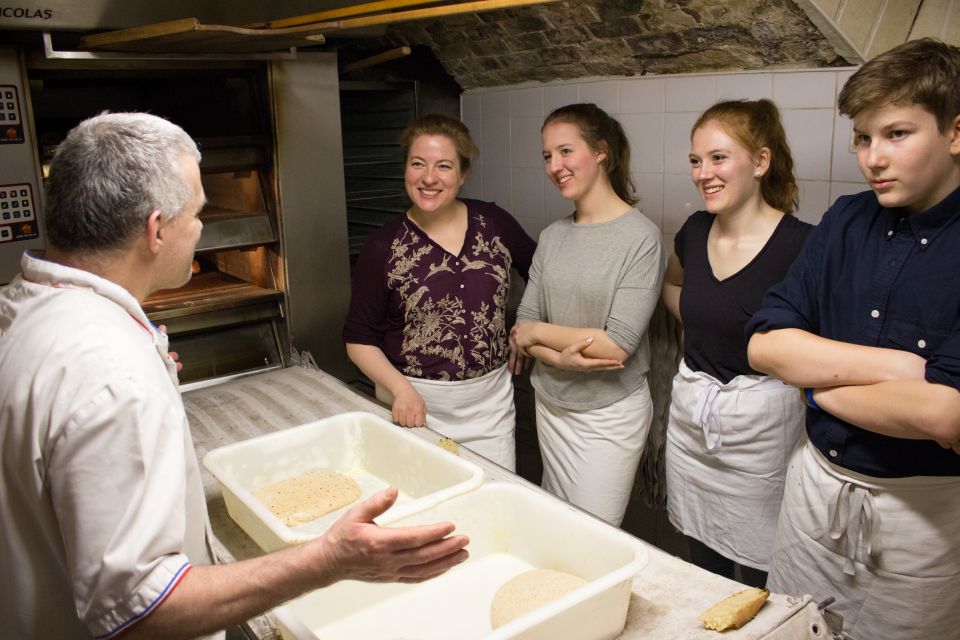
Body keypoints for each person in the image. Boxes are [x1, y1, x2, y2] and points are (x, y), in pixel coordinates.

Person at [0, 112, 469, 640]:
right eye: (197, 213)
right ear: (156, 230)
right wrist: (329, 560)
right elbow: (139, 611)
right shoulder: (111, 373)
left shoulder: (25, 306)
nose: (201, 228)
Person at [746, 38, 960, 640]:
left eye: (897, 134)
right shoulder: (845, 218)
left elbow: (947, 413)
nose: (873, 158)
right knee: (789, 628)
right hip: (813, 492)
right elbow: (765, 343)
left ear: (955, 133)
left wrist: (812, 384)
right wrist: (898, 370)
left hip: (924, 516)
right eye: (863, 139)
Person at [661, 99, 812, 588]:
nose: (703, 173)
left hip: (763, 437)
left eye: (719, 158)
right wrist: (710, 322)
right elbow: (674, 285)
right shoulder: (694, 230)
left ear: (761, 162)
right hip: (693, 426)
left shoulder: (804, 246)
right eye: (695, 161)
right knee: (703, 562)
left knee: (769, 565)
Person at [343, 114, 536, 471]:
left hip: (489, 409)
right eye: (418, 164)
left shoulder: (494, 223)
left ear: (462, 175)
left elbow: (541, 274)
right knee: (425, 513)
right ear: (405, 169)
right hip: (412, 406)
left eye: (443, 166)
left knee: (492, 507)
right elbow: (358, 339)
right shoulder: (382, 246)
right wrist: (400, 390)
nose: (429, 178)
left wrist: (525, 327)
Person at [510, 103, 665, 526]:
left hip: (608, 414)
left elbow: (617, 343)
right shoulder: (553, 235)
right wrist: (557, 356)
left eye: (565, 151)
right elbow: (520, 322)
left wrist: (537, 335)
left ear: (601, 152)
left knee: (595, 533)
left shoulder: (640, 237)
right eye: (547, 156)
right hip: (551, 401)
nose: (554, 166)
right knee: (556, 522)